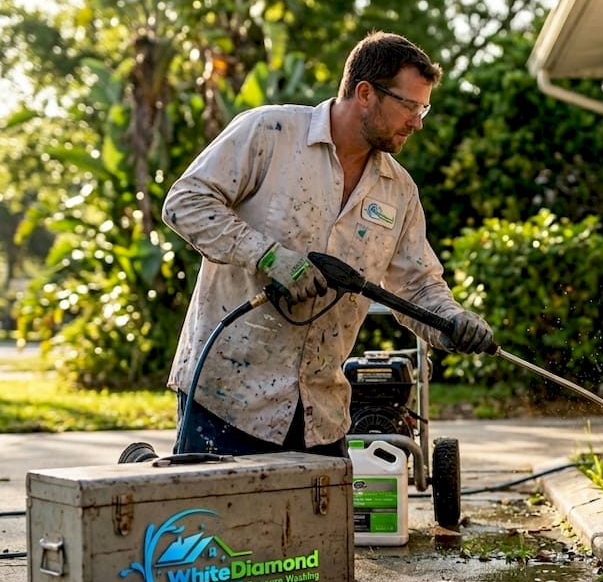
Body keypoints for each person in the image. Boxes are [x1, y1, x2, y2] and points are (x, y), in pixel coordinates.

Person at [160, 30, 493, 458]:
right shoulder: (270, 132)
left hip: (321, 413)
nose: (418, 122)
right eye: (409, 105)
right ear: (366, 93)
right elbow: (184, 203)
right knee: (219, 526)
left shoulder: (399, 191)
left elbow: (417, 286)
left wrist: (452, 322)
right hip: (226, 400)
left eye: (423, 107)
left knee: (322, 528)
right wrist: (268, 256)